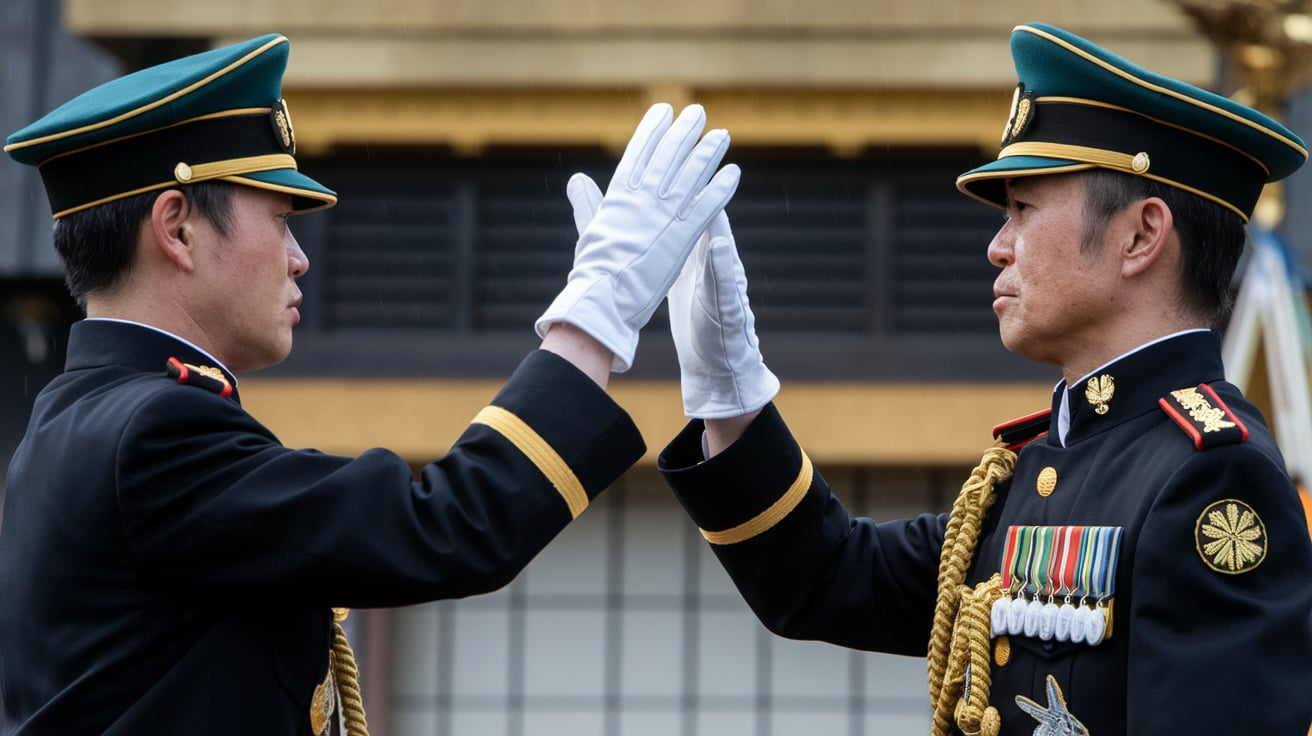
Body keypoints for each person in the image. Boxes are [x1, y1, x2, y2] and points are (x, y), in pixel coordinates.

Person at [567, 21, 1312, 735]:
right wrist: (727, 393)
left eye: (1022, 209)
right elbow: (825, 579)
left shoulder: (1213, 475)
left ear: (1142, 235)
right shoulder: (1035, 467)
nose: (998, 246)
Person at [0, 34, 739, 735]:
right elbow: (448, 526)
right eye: (282, 219)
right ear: (177, 229)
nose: (299, 259)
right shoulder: (155, 434)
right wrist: (594, 319)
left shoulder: (80, 421)